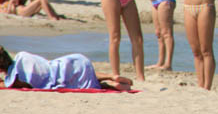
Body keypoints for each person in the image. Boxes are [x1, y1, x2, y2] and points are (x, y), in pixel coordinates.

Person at [0, 46, 132, 91]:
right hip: (69, 62)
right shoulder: (22, 56)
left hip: (62, 78)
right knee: (86, 72)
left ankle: (110, 85)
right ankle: (110, 76)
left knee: (92, 85)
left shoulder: (15, 79)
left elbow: (12, 85)